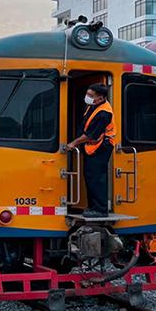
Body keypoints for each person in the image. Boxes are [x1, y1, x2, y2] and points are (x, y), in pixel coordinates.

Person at [67, 84, 116, 218]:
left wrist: (74, 143)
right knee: (90, 176)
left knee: (97, 178)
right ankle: (93, 207)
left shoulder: (104, 113)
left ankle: (100, 209)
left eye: (91, 95)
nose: (87, 97)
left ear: (100, 98)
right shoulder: (93, 106)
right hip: (93, 147)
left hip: (101, 147)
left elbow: (91, 135)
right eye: (87, 94)